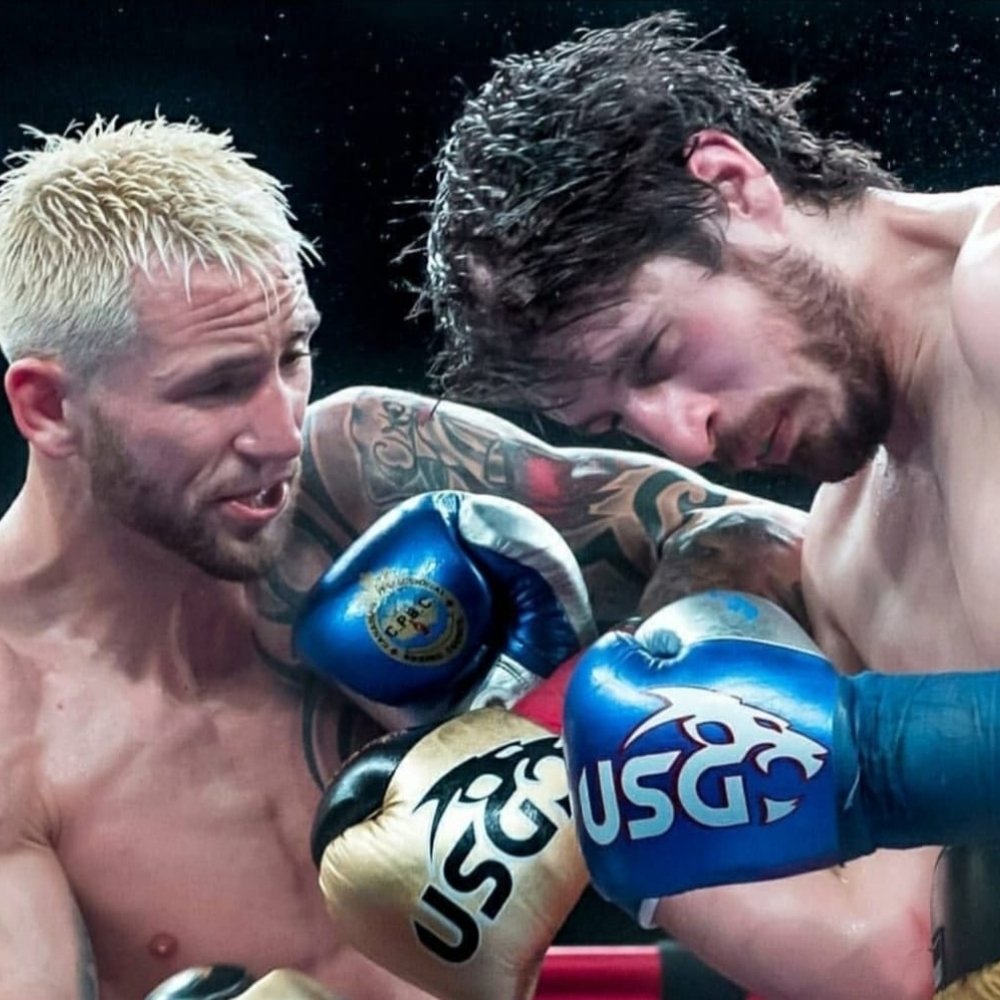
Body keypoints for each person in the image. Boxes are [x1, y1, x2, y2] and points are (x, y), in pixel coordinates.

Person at [0, 115, 807, 999]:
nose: (280, 434)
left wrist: (561, 732)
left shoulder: (354, 474)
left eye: (293, 356)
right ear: (48, 408)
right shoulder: (14, 723)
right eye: (217, 387)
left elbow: (762, 536)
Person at [421, 10, 1000, 1000]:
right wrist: (598, 795)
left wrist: (871, 756)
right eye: (620, 419)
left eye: (656, 355)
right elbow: (893, 961)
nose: (685, 438)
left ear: (731, 186)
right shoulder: (848, 546)